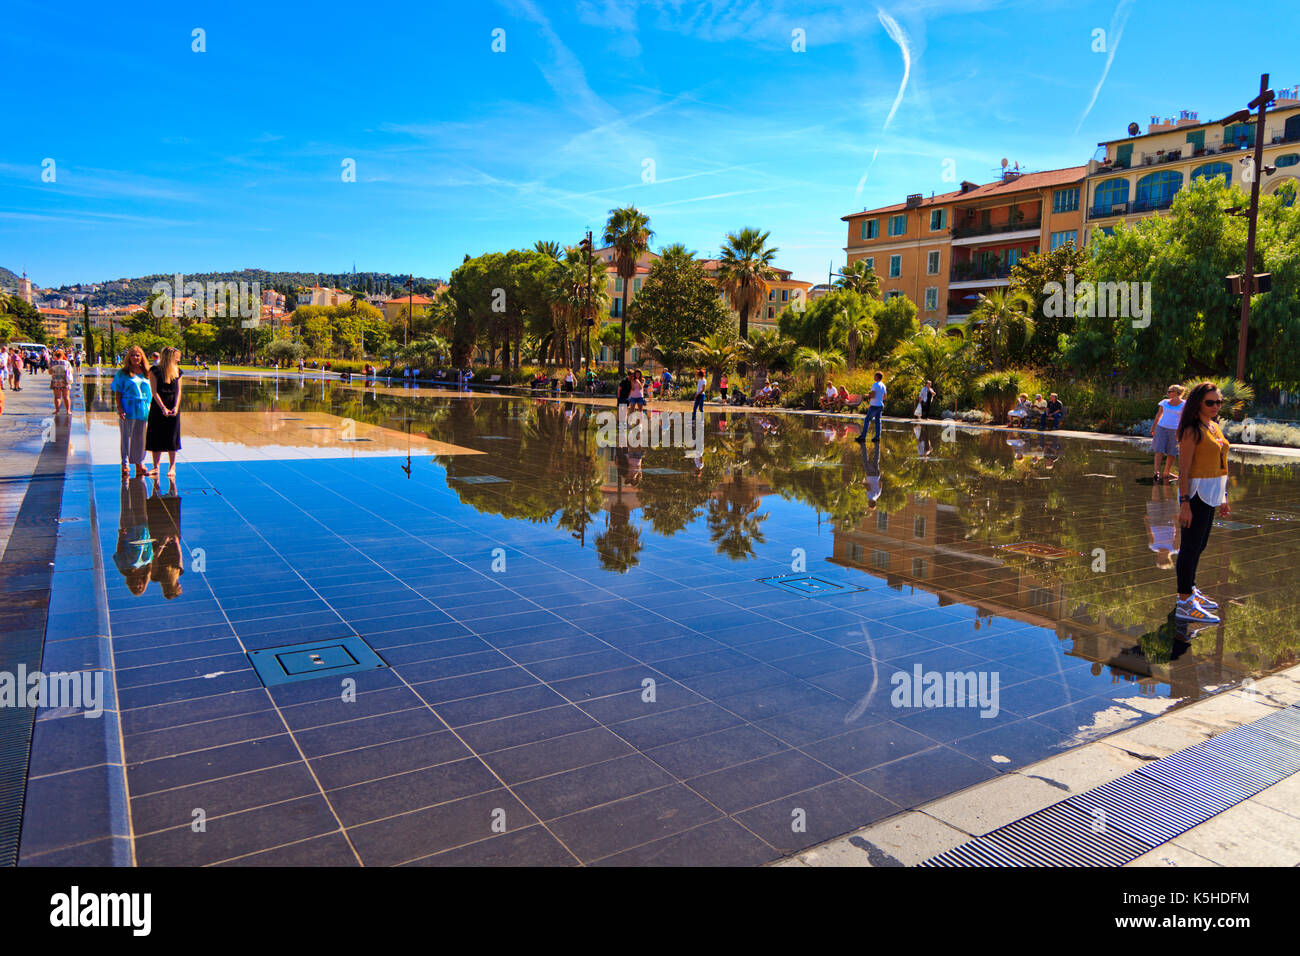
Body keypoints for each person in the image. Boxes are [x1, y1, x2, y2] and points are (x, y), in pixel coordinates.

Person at [1173, 382, 1231, 624]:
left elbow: (1219, 461)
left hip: (1212, 492)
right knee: (1190, 547)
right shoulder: (1191, 430)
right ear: (1198, 403)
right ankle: (1184, 602)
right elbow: (1183, 471)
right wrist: (1184, 504)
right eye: (1210, 402)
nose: (1216, 406)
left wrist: (1224, 496)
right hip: (1195, 494)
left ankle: (1191, 588)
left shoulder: (1214, 426)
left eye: (1218, 402)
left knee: (1200, 545)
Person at [112, 346, 152, 480]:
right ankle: (125, 462)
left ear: (142, 357)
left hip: (143, 408)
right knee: (126, 437)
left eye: (138, 355)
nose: (135, 357)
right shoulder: (122, 373)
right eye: (133, 355)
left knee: (141, 438)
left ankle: (140, 462)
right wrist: (119, 408)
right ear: (129, 357)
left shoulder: (147, 373)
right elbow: (118, 392)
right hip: (128, 407)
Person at [146, 346, 183, 478]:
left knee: (172, 436)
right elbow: (154, 391)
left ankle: (172, 467)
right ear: (169, 357)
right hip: (158, 406)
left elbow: (178, 391)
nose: (179, 359)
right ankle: (156, 467)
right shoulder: (154, 371)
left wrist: (176, 407)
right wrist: (162, 408)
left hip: (173, 405)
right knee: (156, 435)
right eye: (177, 356)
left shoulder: (178, 371)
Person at [1151, 384, 1185, 483]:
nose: (1168, 393)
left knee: (1172, 451)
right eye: (1168, 391)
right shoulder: (1164, 402)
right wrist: (1153, 428)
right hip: (1161, 427)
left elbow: (1183, 419)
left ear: (1177, 393)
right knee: (1159, 449)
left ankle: (1166, 472)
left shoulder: (1184, 404)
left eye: (1170, 391)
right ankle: (1156, 471)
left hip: (1175, 430)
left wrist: (1182, 431)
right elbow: (1158, 415)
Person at [855, 371, 886, 443]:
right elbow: (885, 397)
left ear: (877, 377)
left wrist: (866, 395)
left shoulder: (875, 385)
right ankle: (877, 437)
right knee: (878, 421)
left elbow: (873, 395)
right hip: (880, 405)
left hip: (874, 405)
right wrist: (879, 398)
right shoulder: (883, 385)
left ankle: (863, 437)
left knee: (867, 420)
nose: (873, 377)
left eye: (874, 376)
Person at [49, 348, 72, 415]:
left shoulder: (53, 363)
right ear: (62, 355)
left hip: (56, 381)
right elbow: (70, 371)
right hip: (65, 381)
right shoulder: (66, 363)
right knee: (66, 397)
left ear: (55, 355)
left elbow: (50, 372)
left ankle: (57, 410)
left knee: (57, 397)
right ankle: (68, 411)